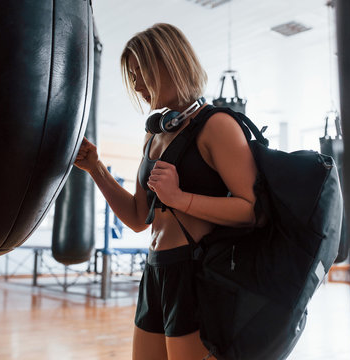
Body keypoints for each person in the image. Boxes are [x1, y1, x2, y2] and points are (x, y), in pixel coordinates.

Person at [74, 23, 258, 360]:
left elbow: (251, 209)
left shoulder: (217, 125)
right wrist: (96, 169)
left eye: (141, 70)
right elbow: (137, 219)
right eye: (132, 74)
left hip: (195, 271)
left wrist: (180, 199)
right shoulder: (153, 137)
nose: (135, 83)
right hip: (156, 269)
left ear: (171, 61)